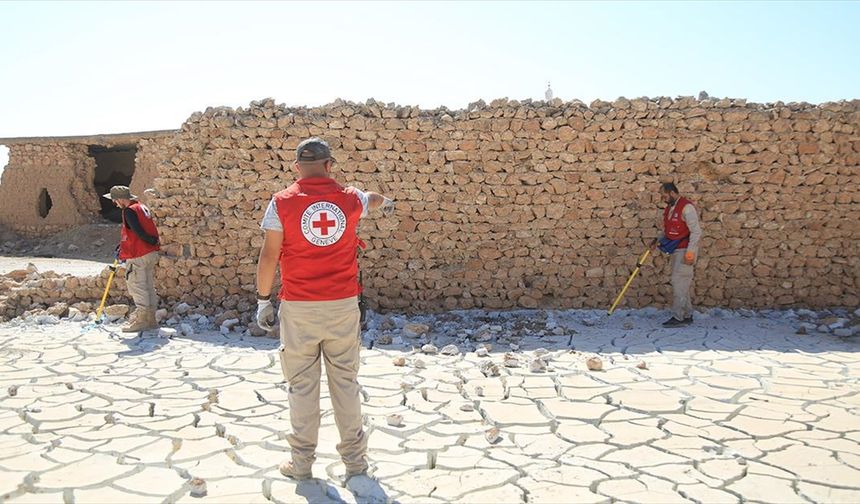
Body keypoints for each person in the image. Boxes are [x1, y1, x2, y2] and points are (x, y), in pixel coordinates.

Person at [255, 138, 394, 481]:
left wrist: (262, 301)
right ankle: (356, 464)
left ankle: (301, 465)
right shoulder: (349, 199)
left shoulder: (281, 203)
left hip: (299, 307)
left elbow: (269, 256)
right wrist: (386, 202)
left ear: (297, 167)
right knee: (345, 383)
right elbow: (371, 199)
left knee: (302, 387)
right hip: (342, 306)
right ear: (330, 165)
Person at [102, 185, 161, 332]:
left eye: (115, 200)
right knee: (147, 286)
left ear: (121, 199)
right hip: (150, 253)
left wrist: (147, 240)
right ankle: (151, 320)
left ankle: (142, 321)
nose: (115, 204)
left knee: (137, 286)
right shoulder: (141, 207)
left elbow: (138, 231)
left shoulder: (129, 211)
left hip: (139, 254)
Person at [650, 182, 703, 327]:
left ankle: (678, 317)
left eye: (664, 195)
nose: (663, 199)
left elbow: (696, 231)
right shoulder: (670, 208)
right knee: (682, 283)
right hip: (676, 250)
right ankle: (687, 314)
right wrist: (658, 240)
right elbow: (668, 230)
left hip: (686, 250)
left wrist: (691, 252)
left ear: (673, 193)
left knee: (678, 281)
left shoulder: (687, 207)